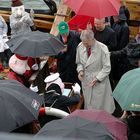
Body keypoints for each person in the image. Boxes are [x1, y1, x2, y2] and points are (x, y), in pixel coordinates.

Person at [76, 29, 115, 113]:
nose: (84, 45)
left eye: (86, 43)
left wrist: (97, 78)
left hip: (99, 82)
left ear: (92, 39)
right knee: (89, 107)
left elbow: (107, 68)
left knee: (99, 109)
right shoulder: (80, 46)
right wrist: (80, 71)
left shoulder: (103, 48)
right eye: (83, 42)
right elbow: (78, 63)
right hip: (86, 81)